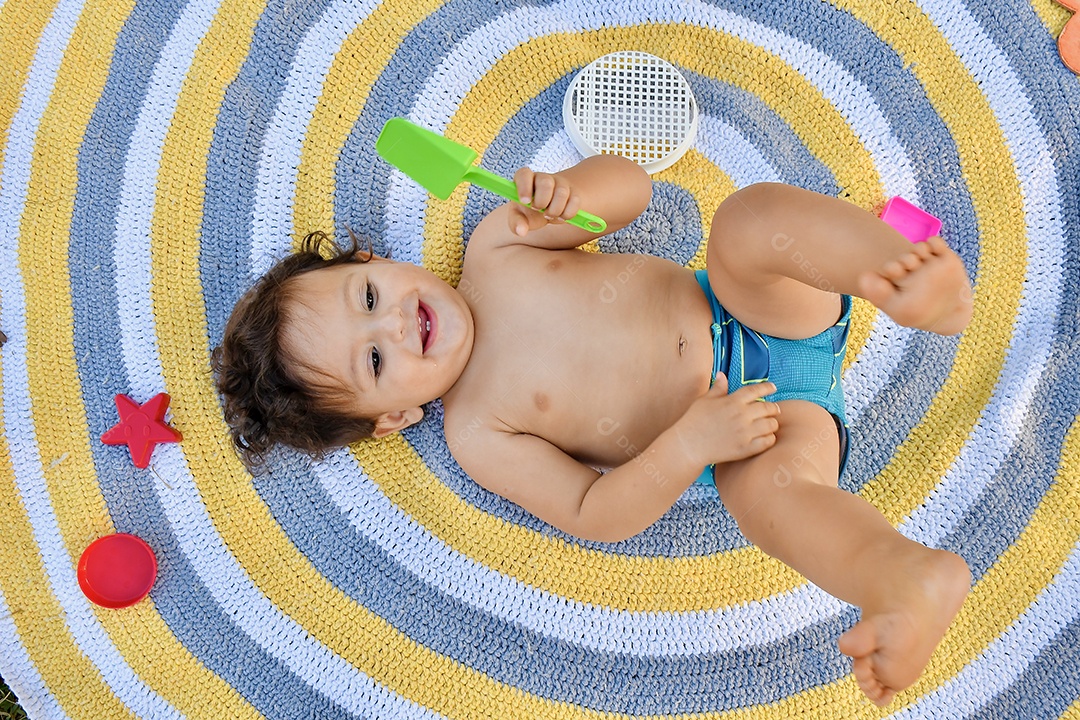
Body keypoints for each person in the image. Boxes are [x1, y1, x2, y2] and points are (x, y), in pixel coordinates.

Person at [214, 153, 973, 706]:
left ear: (374, 259)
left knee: (748, 221)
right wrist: (690, 445)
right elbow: (592, 512)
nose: (395, 326)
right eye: (376, 360)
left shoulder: (497, 244)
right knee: (773, 506)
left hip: (754, 302)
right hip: (758, 429)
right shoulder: (477, 433)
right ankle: (898, 579)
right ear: (393, 419)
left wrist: (575, 193)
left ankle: (899, 274)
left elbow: (634, 188)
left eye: (368, 296)